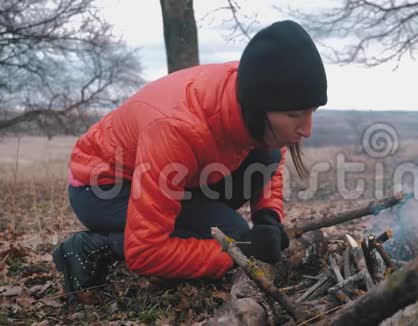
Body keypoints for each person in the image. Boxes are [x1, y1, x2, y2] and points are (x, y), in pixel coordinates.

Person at [52, 20, 327, 292]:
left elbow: (271, 159)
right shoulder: (175, 127)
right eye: (294, 115)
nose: (307, 129)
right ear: (257, 107)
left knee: (263, 159)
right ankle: (93, 247)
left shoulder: (253, 89)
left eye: (310, 111)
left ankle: (194, 232)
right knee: (231, 235)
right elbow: (145, 252)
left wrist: (268, 216)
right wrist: (240, 250)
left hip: (178, 176)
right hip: (102, 188)